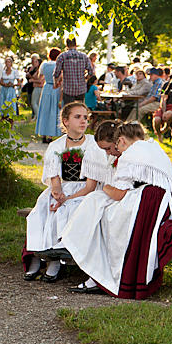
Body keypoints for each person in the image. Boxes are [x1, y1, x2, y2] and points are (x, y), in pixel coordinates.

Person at [61, 123, 172, 299]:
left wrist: (105, 188)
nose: (118, 151)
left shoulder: (130, 154)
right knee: (104, 212)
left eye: (117, 146)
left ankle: (104, 274)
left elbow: (119, 194)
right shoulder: (153, 146)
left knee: (105, 216)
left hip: (149, 205)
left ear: (121, 140)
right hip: (165, 204)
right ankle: (96, 272)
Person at [24, 102, 110, 282]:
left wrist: (67, 199)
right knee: (43, 209)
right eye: (77, 117)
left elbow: (90, 187)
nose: (83, 121)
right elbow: (54, 178)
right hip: (64, 188)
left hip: (83, 192)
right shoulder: (56, 146)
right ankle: (41, 256)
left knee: (67, 209)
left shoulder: (93, 146)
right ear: (66, 121)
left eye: (85, 117)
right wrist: (57, 194)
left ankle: (58, 258)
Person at [54, 37, 94, 106]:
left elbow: (57, 73)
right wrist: (85, 78)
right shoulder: (84, 56)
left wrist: (56, 82)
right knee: (79, 109)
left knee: (69, 110)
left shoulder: (62, 56)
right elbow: (91, 71)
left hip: (68, 89)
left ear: (66, 45)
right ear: (76, 44)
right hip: (81, 89)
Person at [35, 48, 62, 143]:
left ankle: (43, 134)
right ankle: (50, 136)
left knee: (44, 111)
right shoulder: (58, 65)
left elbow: (39, 76)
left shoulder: (44, 65)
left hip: (47, 87)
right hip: (55, 88)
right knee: (53, 111)